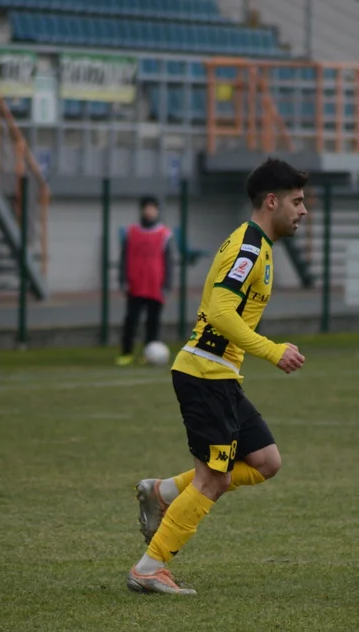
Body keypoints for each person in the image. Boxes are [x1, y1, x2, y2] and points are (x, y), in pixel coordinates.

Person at [127, 158, 308, 595]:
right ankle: (149, 569)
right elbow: (222, 312)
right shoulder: (249, 247)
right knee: (214, 479)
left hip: (220, 376)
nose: (304, 211)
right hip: (205, 374)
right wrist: (272, 350)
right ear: (271, 201)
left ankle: (163, 491)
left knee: (266, 461)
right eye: (297, 201)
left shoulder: (258, 246)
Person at [115, 195, 174, 366]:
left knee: (153, 322)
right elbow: (124, 257)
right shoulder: (131, 232)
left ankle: (149, 353)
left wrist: (167, 285)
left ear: (157, 211)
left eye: (152, 208)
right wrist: (123, 279)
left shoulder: (164, 234)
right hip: (136, 284)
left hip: (156, 286)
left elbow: (168, 262)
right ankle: (126, 353)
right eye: (146, 208)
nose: (149, 212)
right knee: (131, 320)